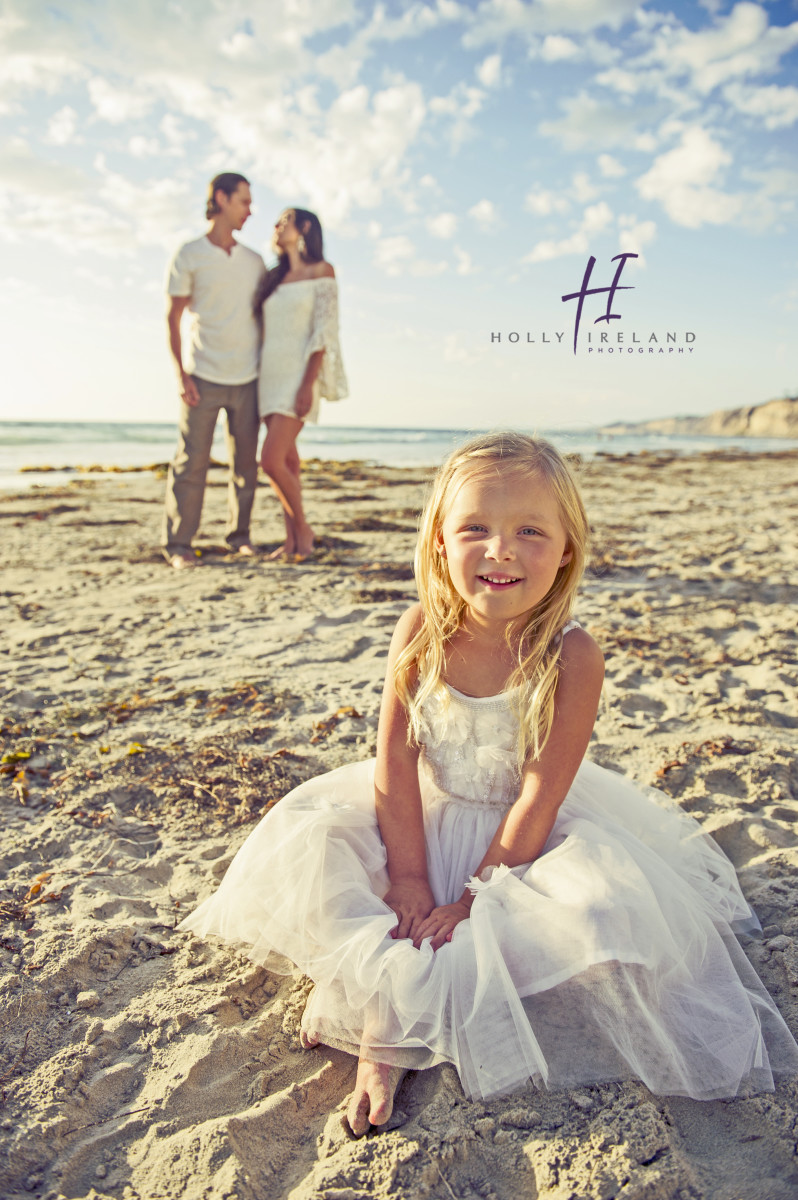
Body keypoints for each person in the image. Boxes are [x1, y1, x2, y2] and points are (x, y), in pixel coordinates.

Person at [180, 432, 798, 1135]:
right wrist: (410, 878)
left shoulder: (572, 654)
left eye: (529, 531)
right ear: (440, 540)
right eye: (475, 528)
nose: (500, 550)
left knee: (593, 910)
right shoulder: (420, 631)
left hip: (521, 843)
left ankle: (396, 1014)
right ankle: (381, 1034)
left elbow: (539, 796)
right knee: (325, 857)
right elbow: (393, 769)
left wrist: (479, 893)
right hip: (414, 818)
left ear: (567, 547)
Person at [161, 172, 266, 569]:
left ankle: (239, 538)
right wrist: (180, 374)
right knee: (192, 463)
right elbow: (172, 318)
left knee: (245, 466)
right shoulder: (189, 254)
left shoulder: (254, 261)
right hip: (202, 375)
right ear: (220, 199)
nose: (250, 210)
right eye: (244, 201)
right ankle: (179, 545)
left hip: (249, 378)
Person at [254, 208, 347, 561]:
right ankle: (292, 541)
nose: (276, 227)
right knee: (288, 464)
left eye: (283, 222)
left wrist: (308, 384)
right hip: (268, 376)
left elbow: (323, 333)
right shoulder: (272, 278)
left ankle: (304, 530)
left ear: (304, 228)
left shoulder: (322, 272)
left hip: (297, 377)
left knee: (270, 460)